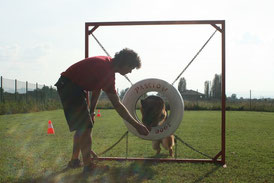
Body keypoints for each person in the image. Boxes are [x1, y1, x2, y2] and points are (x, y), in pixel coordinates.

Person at [55, 48, 149, 174]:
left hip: (71, 86)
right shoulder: (105, 69)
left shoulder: (107, 67)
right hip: (69, 86)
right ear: (126, 64)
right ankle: (88, 167)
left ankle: (74, 161)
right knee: (85, 127)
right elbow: (117, 105)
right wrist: (137, 125)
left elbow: (96, 88)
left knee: (83, 127)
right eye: (131, 68)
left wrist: (92, 111)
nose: (130, 72)